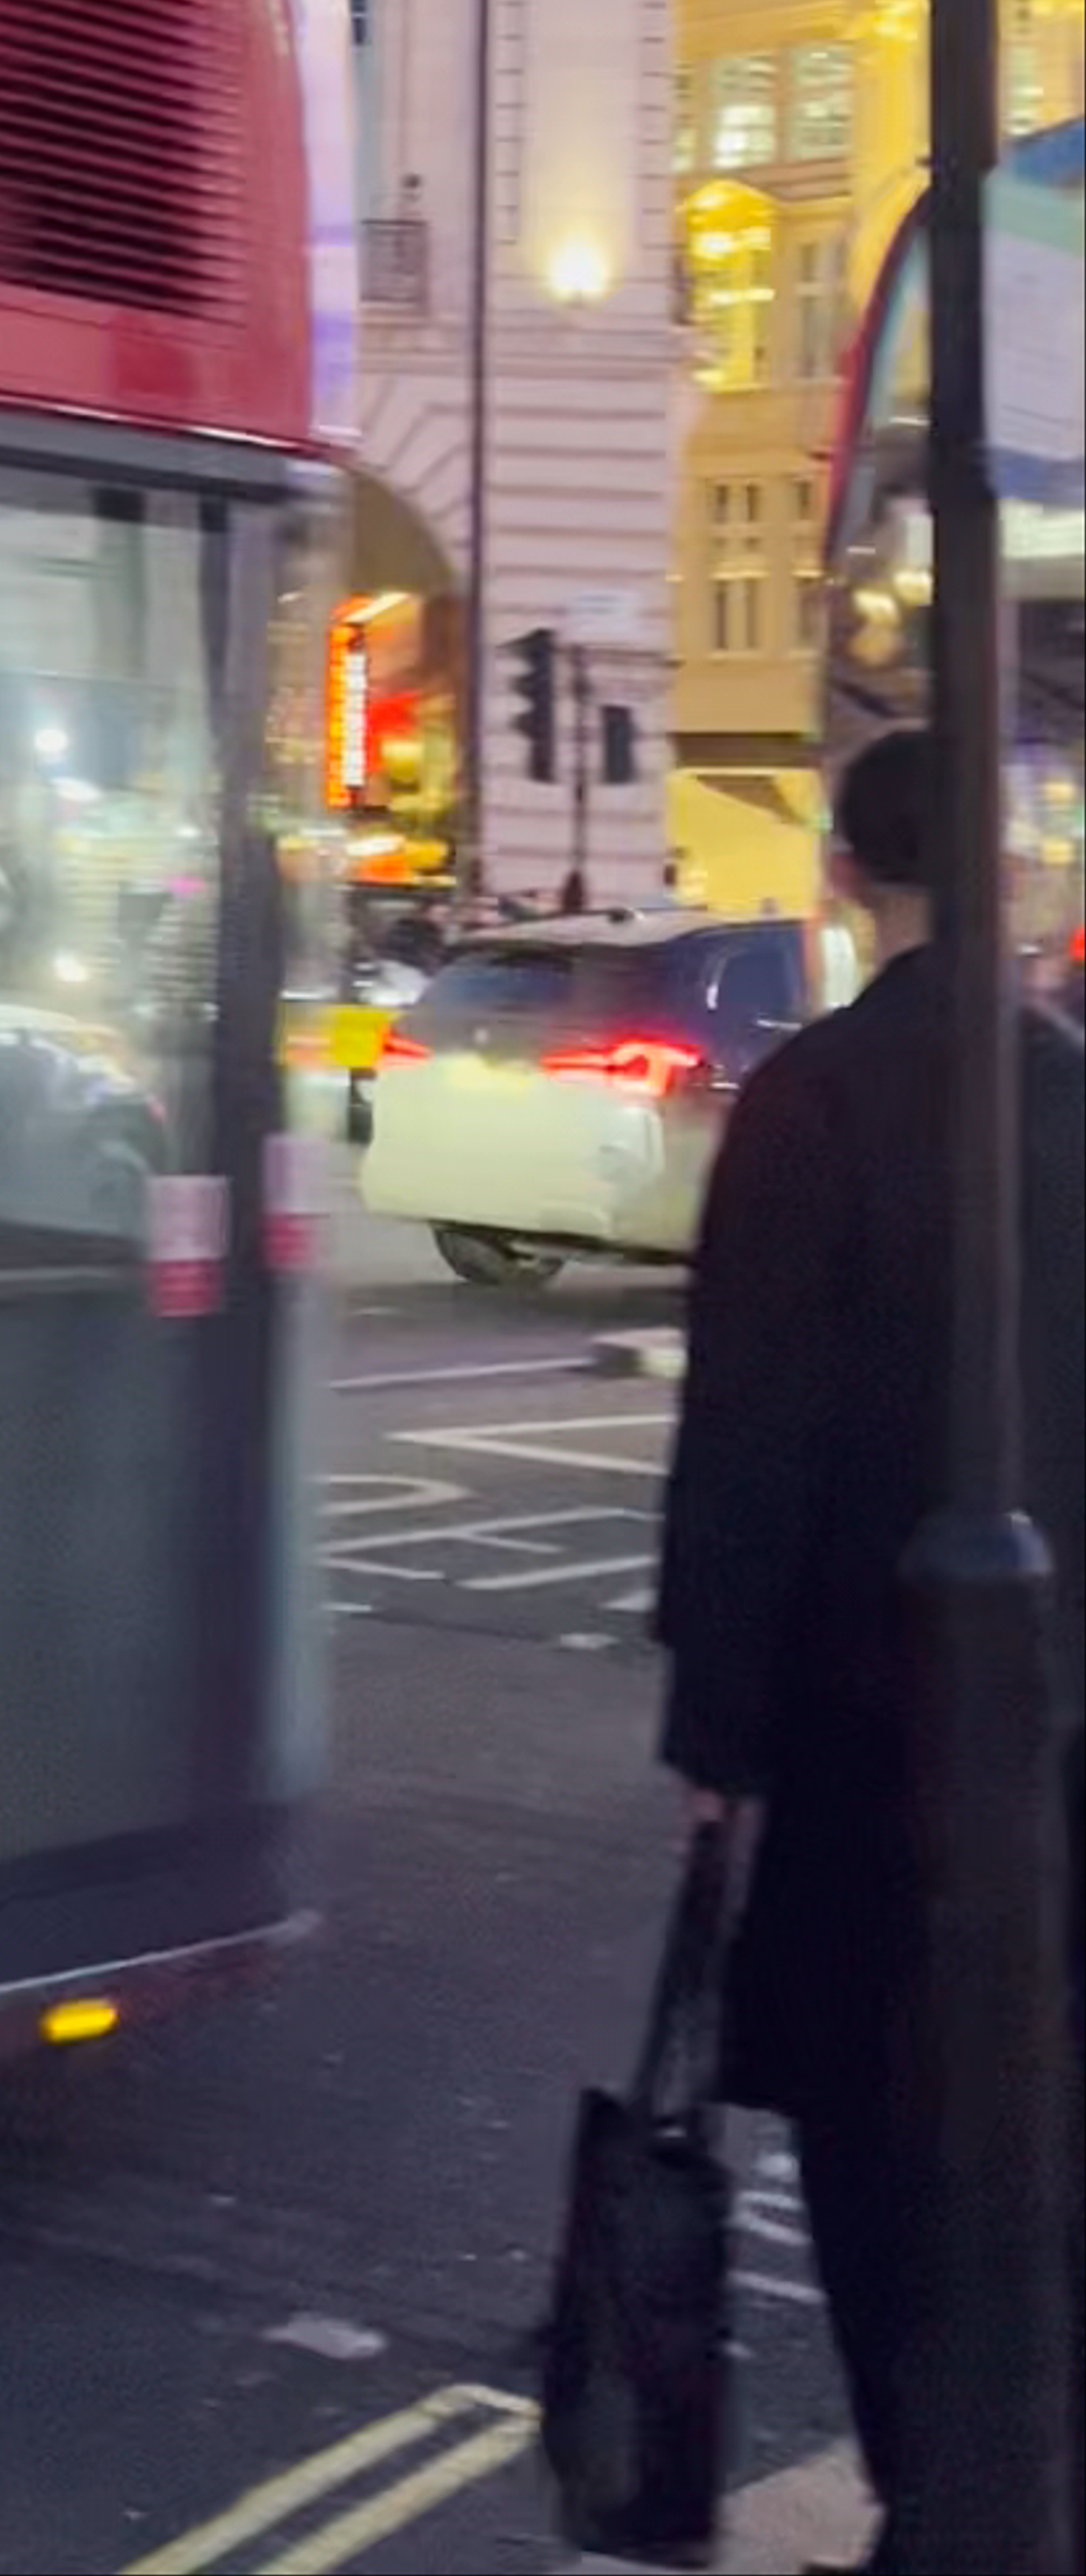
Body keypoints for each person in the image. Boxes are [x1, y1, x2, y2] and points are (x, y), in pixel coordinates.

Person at [655, 725, 1085, 2564]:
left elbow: (746, 1437)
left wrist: (711, 1736)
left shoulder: (810, 1100)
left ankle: (933, 2483)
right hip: (1056, 1710)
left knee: (862, 2120)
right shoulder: (1072, 1091)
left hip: (852, 1714)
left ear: (842, 876)